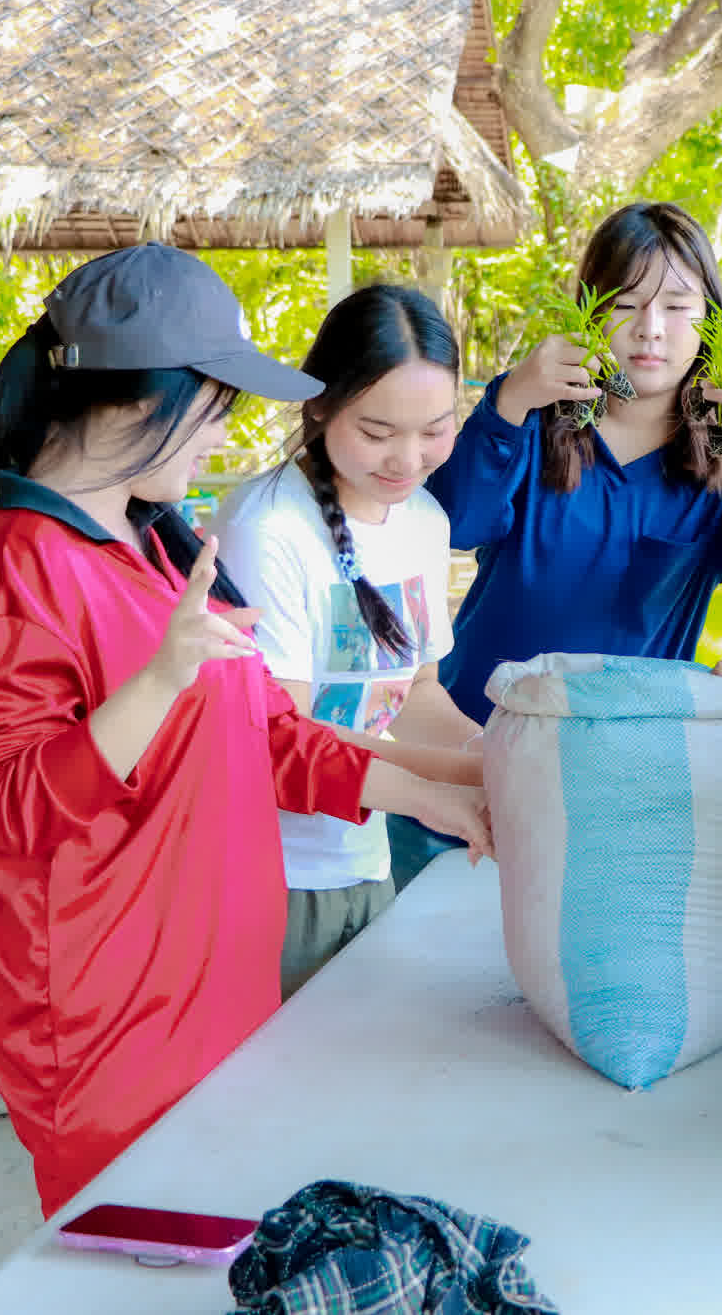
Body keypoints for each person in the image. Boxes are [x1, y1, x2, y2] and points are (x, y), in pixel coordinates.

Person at [0, 245, 492, 1215]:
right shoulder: (24, 566)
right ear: (134, 398)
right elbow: (3, 803)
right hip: (113, 1042)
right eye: (214, 406)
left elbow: (270, 734)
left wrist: (443, 796)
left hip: (223, 1006)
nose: (224, 434)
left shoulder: (160, 541)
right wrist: (158, 680)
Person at [387, 200, 722, 885]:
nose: (650, 329)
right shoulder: (535, 424)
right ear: (589, 310)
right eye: (625, 303)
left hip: (617, 788)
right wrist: (509, 402)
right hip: (466, 756)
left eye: (678, 307)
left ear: (710, 321)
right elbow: (452, 521)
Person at [214, 285, 485, 998]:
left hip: (366, 864)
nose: (408, 459)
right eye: (377, 431)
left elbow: (416, 693)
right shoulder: (267, 528)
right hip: (272, 880)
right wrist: (454, 782)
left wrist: (489, 753)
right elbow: (287, 740)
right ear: (320, 405)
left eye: (435, 430)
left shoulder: (424, 520)